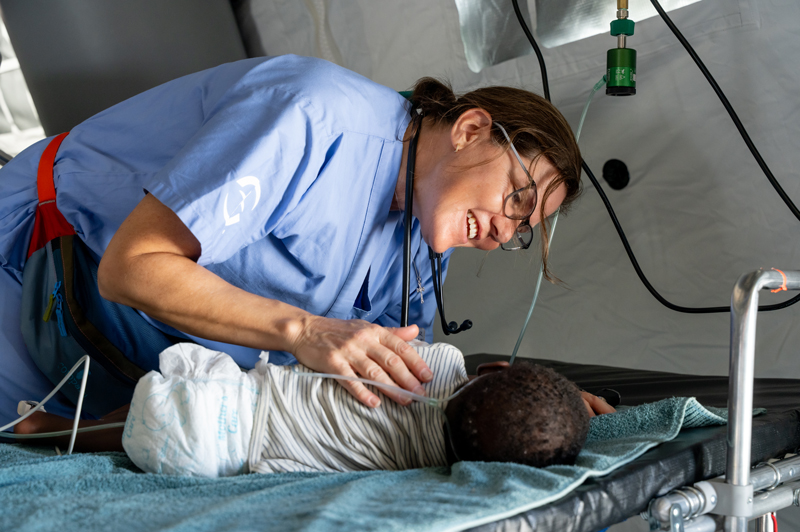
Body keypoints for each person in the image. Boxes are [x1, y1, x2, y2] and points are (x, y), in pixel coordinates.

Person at [0, 54, 582, 425]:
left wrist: (518, 397)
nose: (506, 230)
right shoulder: (311, 115)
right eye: (516, 198)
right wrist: (305, 330)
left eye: (522, 230)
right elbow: (132, 266)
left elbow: (391, 373)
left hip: (146, 384)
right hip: (40, 275)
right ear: (471, 130)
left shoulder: (424, 241)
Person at [14, 342, 614, 475]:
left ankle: (56, 425)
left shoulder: (439, 362)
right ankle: (71, 431)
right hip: (211, 456)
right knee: (138, 436)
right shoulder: (423, 466)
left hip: (221, 397)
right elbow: (510, 426)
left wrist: (559, 395)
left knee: (144, 408)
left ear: (490, 370)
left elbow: (373, 347)